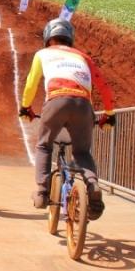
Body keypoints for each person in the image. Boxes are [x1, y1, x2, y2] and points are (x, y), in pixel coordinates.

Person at [19, 18, 115, 219]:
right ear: (70, 38)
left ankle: (42, 192)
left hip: (56, 100)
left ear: (48, 37)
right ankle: (92, 184)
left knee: (44, 146)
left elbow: (31, 83)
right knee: (82, 152)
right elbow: (104, 86)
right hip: (83, 105)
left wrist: (26, 107)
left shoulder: (43, 54)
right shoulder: (83, 57)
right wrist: (109, 114)